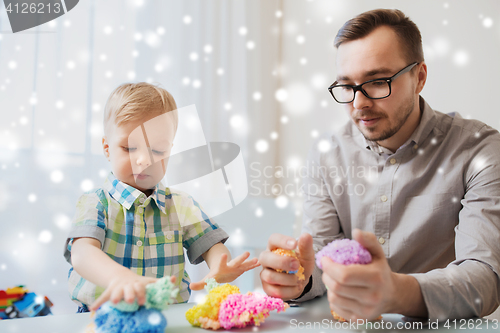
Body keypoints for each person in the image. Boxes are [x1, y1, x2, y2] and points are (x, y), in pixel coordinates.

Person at [259, 9, 500, 321]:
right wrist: (298, 279)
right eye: (347, 86)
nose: (359, 103)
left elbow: (485, 279)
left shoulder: (479, 150)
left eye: (377, 81)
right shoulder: (327, 153)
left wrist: (395, 292)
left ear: (420, 77)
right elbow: (320, 263)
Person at [63, 82, 259, 312]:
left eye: (157, 151)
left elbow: (211, 245)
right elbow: (82, 253)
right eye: (129, 148)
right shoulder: (96, 203)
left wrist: (219, 265)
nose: (144, 160)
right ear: (107, 148)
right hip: (102, 315)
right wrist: (118, 277)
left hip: (169, 316)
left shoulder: (181, 205)